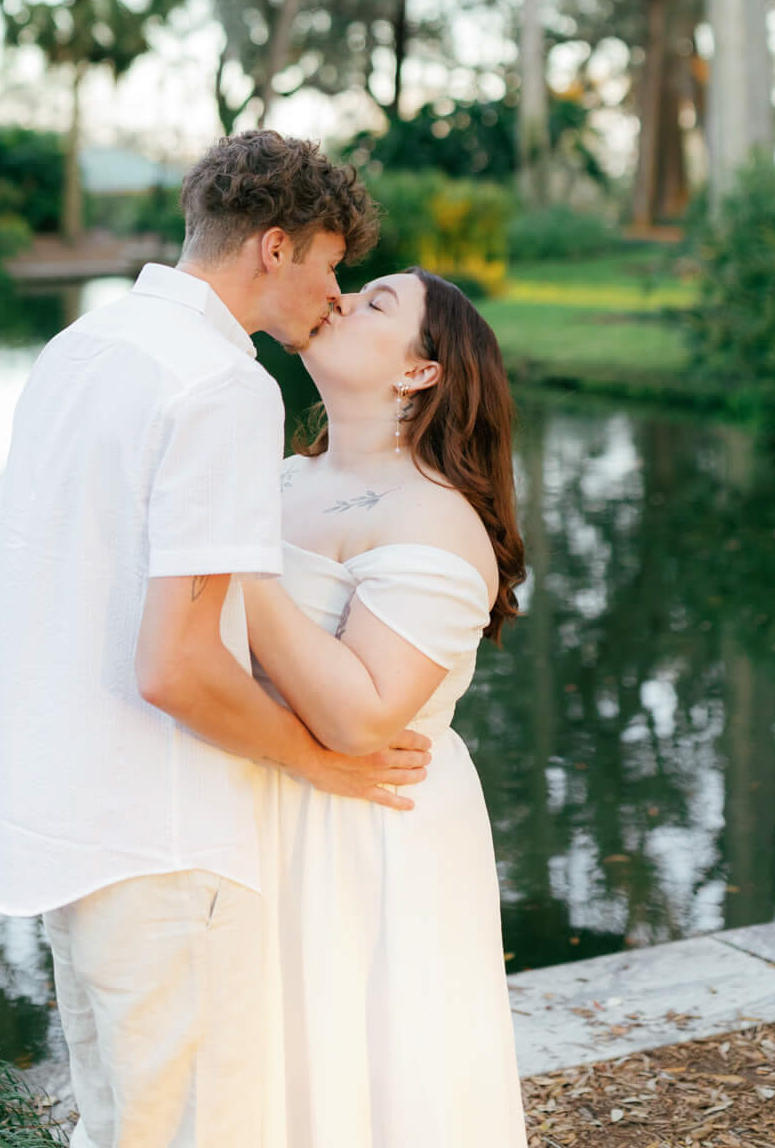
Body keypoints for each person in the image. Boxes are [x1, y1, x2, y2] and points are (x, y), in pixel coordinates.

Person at [0, 130, 432, 1148]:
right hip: (164, 843)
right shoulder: (224, 386)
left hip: (63, 825)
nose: (335, 297)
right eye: (331, 266)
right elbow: (176, 663)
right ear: (274, 248)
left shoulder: (80, 345)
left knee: (117, 1123)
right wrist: (319, 761)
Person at [244, 265, 530, 1148]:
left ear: (419, 373)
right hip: (258, 808)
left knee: (366, 1076)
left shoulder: (435, 519)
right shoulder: (281, 474)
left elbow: (363, 719)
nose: (338, 298)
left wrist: (226, 554)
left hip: (366, 832)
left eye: (376, 303)